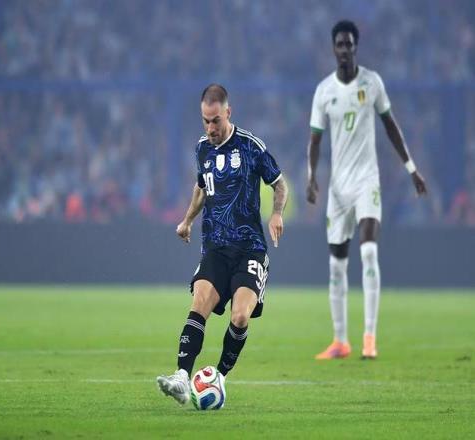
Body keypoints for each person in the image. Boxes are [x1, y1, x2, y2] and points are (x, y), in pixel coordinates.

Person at [157, 84, 288, 404]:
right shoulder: (202, 149)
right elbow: (201, 188)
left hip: (249, 249)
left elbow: (280, 184)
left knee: (240, 317)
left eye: (215, 120)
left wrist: (276, 214)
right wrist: (187, 220)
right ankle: (181, 377)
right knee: (199, 301)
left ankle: (218, 377)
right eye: (205, 121)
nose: (210, 128)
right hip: (215, 248)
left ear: (228, 113)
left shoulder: (251, 146)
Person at [306, 20, 427, 360]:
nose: (344, 49)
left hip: (366, 181)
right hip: (338, 189)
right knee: (337, 265)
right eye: (339, 44)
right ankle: (340, 341)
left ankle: (369, 338)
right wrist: (311, 177)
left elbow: (391, 126)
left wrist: (412, 169)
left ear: (356, 47)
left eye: (349, 44)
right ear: (333, 49)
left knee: (369, 252)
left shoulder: (372, 83)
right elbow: (315, 139)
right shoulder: (324, 91)